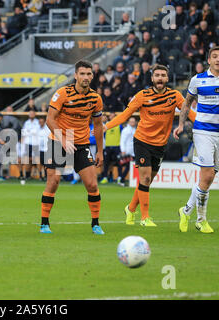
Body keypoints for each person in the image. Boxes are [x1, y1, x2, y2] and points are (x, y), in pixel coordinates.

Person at [104, 64, 196, 227]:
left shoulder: (174, 96)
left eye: (163, 75)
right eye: (157, 75)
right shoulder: (142, 95)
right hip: (142, 141)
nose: (160, 78)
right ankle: (145, 217)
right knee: (145, 178)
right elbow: (125, 114)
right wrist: (106, 126)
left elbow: (188, 112)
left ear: (167, 78)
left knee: (146, 182)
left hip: (160, 144)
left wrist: (206, 125)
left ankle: (130, 209)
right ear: (152, 78)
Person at [174, 47, 219, 233]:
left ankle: (186, 209)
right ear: (209, 60)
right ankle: (201, 220)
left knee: (209, 178)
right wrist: (181, 125)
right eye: (215, 56)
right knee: (206, 176)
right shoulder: (197, 80)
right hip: (202, 131)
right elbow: (187, 103)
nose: (218, 59)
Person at [40, 60, 104, 235]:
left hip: (82, 143)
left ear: (92, 76)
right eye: (82, 73)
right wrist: (63, 139)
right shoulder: (62, 93)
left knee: (92, 184)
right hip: (57, 141)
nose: (85, 77)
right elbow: (50, 119)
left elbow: (98, 126)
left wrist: (99, 151)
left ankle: (95, 224)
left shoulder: (95, 98)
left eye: (88, 74)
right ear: (75, 75)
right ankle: (44, 223)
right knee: (53, 182)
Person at [21, 110, 40, 180]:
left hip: (36, 143)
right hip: (28, 143)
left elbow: (37, 131)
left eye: (32, 113)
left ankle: (40, 175)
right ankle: (27, 175)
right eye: (30, 113)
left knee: (37, 159)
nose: (31, 115)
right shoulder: (26, 123)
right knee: (27, 159)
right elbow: (24, 132)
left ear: (35, 114)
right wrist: (31, 132)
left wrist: (29, 131)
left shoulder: (37, 122)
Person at [118, 117, 137, 186]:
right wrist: (123, 150)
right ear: (128, 122)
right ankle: (121, 179)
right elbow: (122, 141)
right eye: (131, 121)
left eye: (133, 121)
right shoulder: (125, 130)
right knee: (127, 166)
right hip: (127, 152)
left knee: (129, 167)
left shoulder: (135, 130)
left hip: (133, 152)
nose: (132, 123)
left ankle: (123, 179)